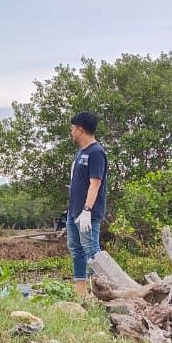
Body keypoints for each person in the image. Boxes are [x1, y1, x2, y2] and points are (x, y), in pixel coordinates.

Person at [66, 111, 107, 297]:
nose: (71, 132)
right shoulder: (81, 152)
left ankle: (103, 289)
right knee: (76, 250)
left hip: (87, 213)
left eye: (73, 128)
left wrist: (87, 210)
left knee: (91, 250)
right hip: (73, 211)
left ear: (80, 130)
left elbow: (95, 183)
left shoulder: (96, 152)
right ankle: (81, 291)